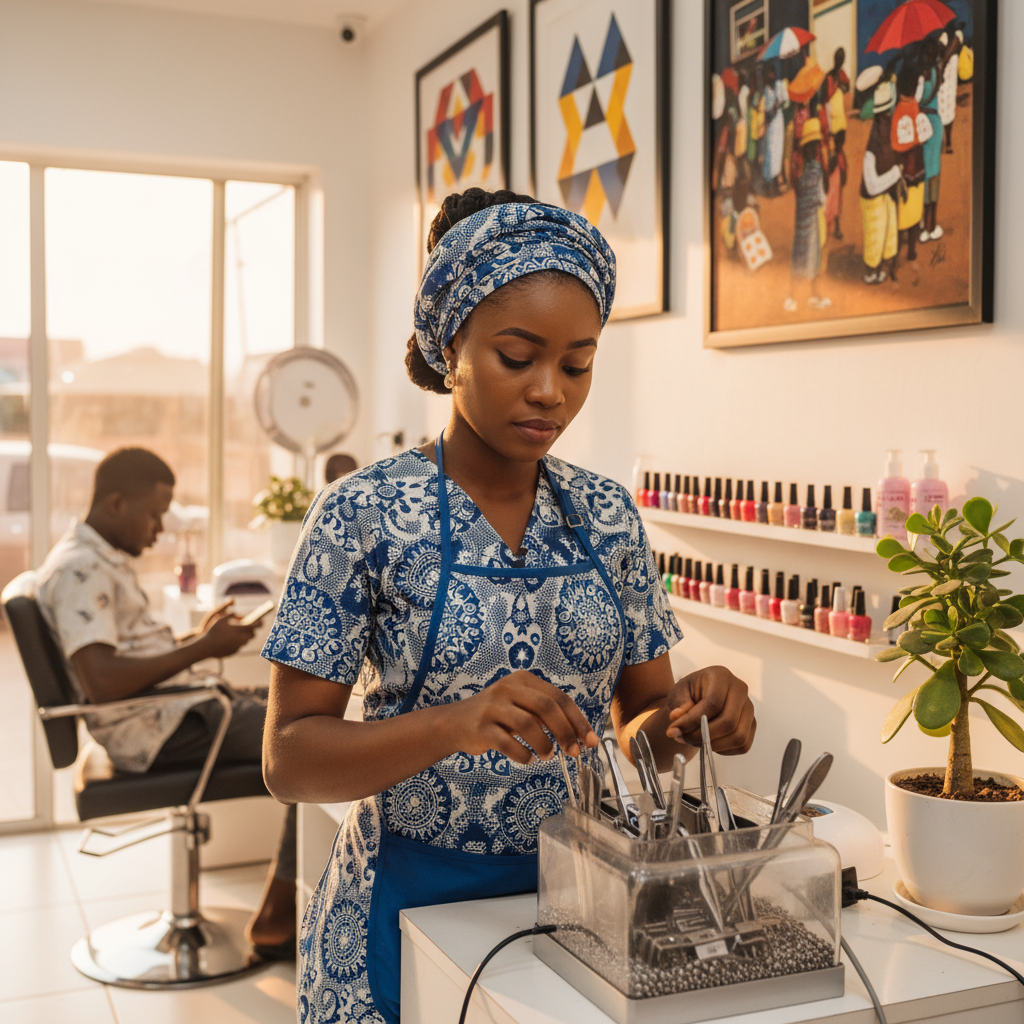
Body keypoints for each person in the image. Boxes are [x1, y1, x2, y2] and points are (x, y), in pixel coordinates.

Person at [261, 188, 758, 1024]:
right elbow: (289, 760)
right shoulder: (361, 513)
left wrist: (692, 718)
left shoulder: (607, 517)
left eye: (577, 364)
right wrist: (453, 724)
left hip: (585, 897)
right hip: (405, 899)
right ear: (450, 346)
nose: (549, 393)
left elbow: (639, 737)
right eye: (517, 357)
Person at [35, 447, 297, 956]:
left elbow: (122, 656)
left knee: (294, 712)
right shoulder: (81, 572)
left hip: (174, 713)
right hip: (163, 729)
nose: (158, 530)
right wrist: (204, 648)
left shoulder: (94, 560)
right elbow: (104, 682)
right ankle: (278, 918)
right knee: (312, 738)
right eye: (153, 515)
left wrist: (198, 639)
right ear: (115, 503)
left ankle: (285, 902)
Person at [859, 80, 903, 285]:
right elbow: (872, 185)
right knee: (874, 234)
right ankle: (871, 272)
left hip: (884, 194)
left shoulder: (886, 139)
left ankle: (880, 268)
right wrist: (895, 174)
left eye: (888, 116)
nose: (887, 121)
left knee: (887, 231)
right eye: (883, 117)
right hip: (872, 197)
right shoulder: (871, 151)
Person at [785, 117, 830, 312]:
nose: (816, 149)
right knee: (813, 256)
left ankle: (797, 296)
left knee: (802, 257)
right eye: (815, 145)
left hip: (802, 217)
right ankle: (807, 295)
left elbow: (798, 190)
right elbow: (821, 196)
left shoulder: (799, 168)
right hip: (813, 218)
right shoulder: (816, 169)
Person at [891, 65, 930, 264]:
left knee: (904, 210)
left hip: (907, 167)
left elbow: (895, 142)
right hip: (916, 165)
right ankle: (911, 250)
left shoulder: (900, 108)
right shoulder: (910, 106)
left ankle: (901, 249)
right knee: (912, 209)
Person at [824, 48, 851, 239]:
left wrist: (842, 86)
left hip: (840, 124)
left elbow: (848, 87)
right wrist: (836, 86)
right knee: (833, 175)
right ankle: (834, 224)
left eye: (843, 58)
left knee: (838, 176)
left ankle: (837, 223)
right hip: (832, 125)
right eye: (839, 58)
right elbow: (825, 96)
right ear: (835, 59)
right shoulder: (829, 77)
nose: (841, 60)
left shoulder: (841, 76)